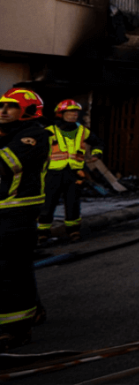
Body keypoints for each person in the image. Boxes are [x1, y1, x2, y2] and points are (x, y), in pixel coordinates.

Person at [0, 87, 49, 349]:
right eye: (1, 106)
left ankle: (15, 329)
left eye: (11, 107)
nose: (3, 111)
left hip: (17, 213)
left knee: (10, 271)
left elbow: (6, 163)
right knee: (16, 269)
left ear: (28, 111)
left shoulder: (35, 134)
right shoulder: (7, 134)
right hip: (4, 210)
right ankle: (34, 309)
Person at [38, 99, 103, 244]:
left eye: (76, 112)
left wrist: (96, 154)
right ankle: (42, 233)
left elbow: (98, 143)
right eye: (70, 112)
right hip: (52, 173)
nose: (74, 115)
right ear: (61, 114)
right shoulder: (49, 131)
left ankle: (73, 231)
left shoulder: (82, 131)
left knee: (73, 203)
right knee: (48, 204)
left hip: (75, 173)